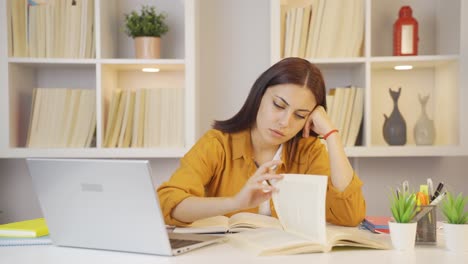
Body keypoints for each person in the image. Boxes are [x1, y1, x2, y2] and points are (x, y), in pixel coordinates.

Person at [157, 57, 366, 227]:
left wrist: (332, 135)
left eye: (300, 115)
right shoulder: (217, 144)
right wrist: (235, 202)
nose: (285, 122)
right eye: (278, 105)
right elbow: (167, 203)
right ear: (259, 96)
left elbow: (350, 215)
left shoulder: (308, 151)